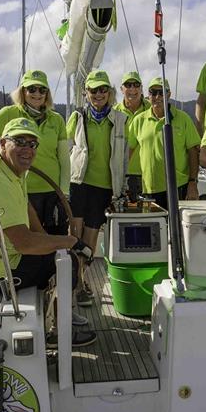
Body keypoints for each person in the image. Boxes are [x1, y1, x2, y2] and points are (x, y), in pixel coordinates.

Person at [0, 117, 96, 347]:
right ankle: (60, 333)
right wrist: (70, 241)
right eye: (20, 141)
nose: (28, 149)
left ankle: (57, 316)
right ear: (3, 143)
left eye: (33, 144)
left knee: (59, 254)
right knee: (69, 263)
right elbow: (24, 244)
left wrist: (47, 238)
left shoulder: (10, 170)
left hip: (0, 260)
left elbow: (26, 207)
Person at [0, 69, 69, 234]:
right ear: (22, 91)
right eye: (31, 89)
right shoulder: (8, 114)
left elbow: (64, 159)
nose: (37, 93)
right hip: (20, 191)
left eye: (42, 89)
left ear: (47, 93)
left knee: (54, 244)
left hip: (52, 192)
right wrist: (5, 174)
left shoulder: (57, 120)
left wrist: (64, 194)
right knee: (26, 245)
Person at [67, 70, 128, 305]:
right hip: (78, 184)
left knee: (90, 240)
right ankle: (71, 282)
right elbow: (64, 149)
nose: (99, 94)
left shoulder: (121, 119)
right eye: (94, 90)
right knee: (74, 237)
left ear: (110, 93)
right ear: (86, 93)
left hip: (103, 187)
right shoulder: (78, 116)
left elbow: (122, 157)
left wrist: (120, 189)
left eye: (103, 90)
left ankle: (81, 281)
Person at [127, 77, 200, 209]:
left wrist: (192, 183)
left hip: (179, 186)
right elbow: (128, 151)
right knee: (155, 228)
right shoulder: (138, 120)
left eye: (161, 92)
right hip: (149, 188)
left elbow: (193, 151)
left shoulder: (183, 119)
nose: (157, 96)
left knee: (178, 228)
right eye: (153, 92)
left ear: (169, 94)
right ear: (148, 95)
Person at [114, 71, 150, 198]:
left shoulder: (153, 111)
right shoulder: (113, 114)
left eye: (136, 84)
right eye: (128, 85)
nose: (132, 88)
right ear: (121, 89)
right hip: (121, 175)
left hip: (149, 175)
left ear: (141, 88)